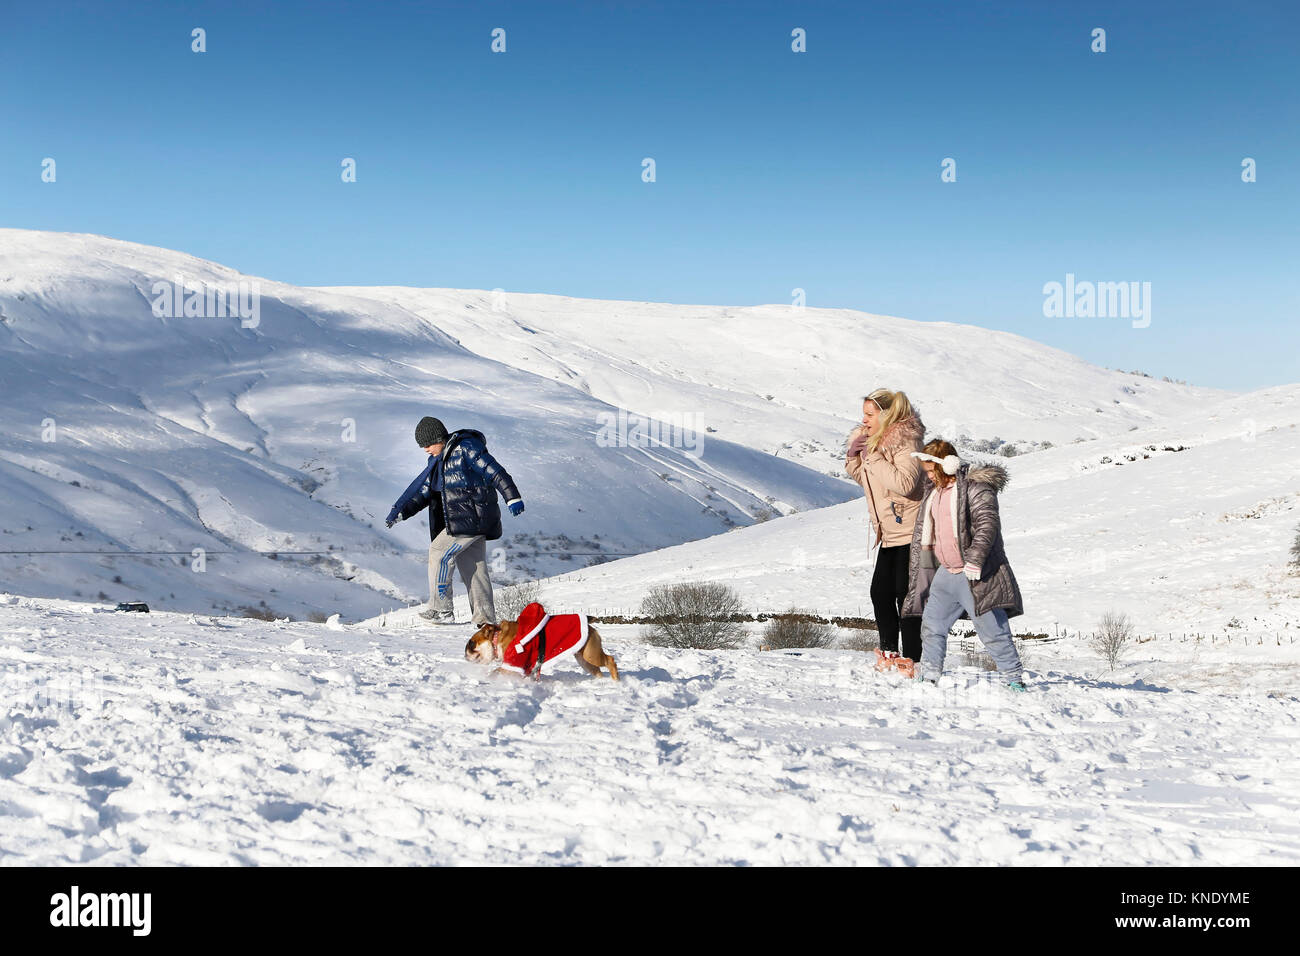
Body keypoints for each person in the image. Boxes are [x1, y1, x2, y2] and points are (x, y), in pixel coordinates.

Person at [901, 439, 1026, 690]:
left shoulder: (975, 488)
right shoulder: (934, 492)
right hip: (946, 573)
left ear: (946, 465)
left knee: (992, 630)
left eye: (929, 471)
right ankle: (930, 674)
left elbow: (987, 524)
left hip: (975, 575)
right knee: (932, 626)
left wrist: (975, 560)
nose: (927, 477)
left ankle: (1013, 679)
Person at [386, 416, 524, 625]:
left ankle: (441, 610)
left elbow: (495, 471)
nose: (425, 449)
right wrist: (402, 512)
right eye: (422, 446)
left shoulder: (467, 447)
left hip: (470, 518)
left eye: (427, 444)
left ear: (439, 438)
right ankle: (485, 620)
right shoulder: (438, 460)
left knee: (439, 553)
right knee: (474, 568)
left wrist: (512, 496)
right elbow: (426, 491)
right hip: (465, 521)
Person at [845, 388, 926, 663]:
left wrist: (873, 456)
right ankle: (890, 652)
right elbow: (870, 481)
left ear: (887, 414)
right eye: (863, 415)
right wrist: (854, 457)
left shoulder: (906, 443)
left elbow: (905, 484)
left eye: (870, 414)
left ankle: (913, 660)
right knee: (880, 593)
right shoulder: (875, 443)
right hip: (891, 531)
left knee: (907, 599)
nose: (864, 420)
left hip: (912, 529)